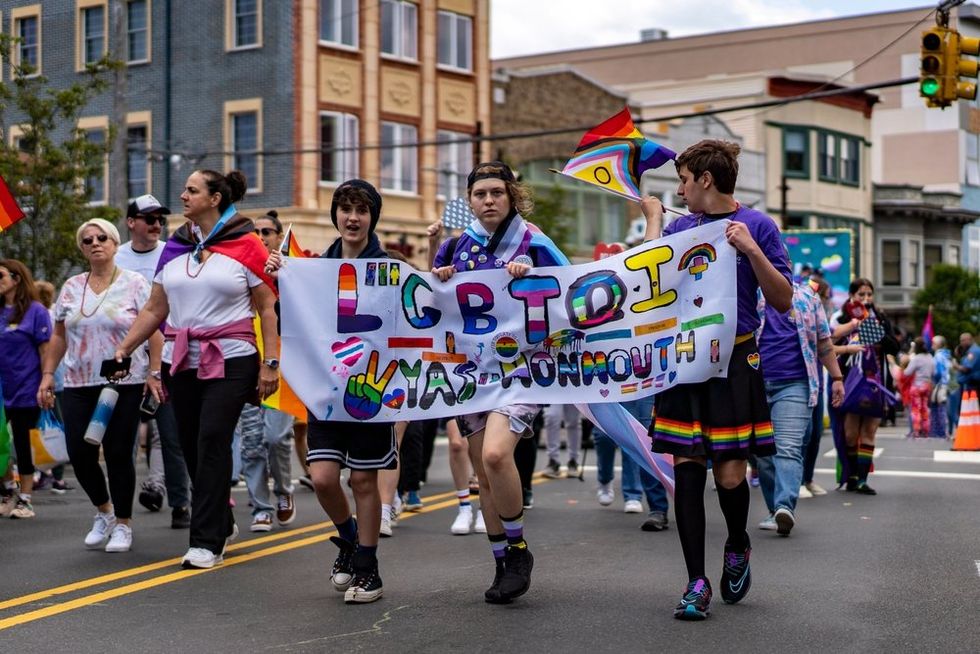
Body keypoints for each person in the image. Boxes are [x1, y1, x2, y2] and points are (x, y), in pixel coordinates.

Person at [640, 140, 792, 620]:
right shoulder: (680, 227)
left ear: (705, 180)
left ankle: (738, 541)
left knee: (729, 474)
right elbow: (643, 286)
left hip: (736, 359)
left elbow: (784, 299)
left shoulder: (760, 225)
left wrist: (751, 251)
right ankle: (695, 582)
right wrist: (652, 225)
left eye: (683, 180)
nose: (679, 189)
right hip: (684, 360)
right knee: (686, 467)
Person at [114, 169, 280, 569]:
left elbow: (268, 306)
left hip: (234, 357)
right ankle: (221, 519)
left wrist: (271, 362)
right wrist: (124, 348)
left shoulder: (247, 243)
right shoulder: (176, 246)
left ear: (215, 198)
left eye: (192, 190)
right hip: (180, 358)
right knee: (190, 444)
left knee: (210, 440)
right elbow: (156, 308)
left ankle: (207, 541)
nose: (184, 196)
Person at [431, 161, 568, 604]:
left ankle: (519, 548)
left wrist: (537, 277)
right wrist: (441, 278)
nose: (488, 201)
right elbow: (432, 302)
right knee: (482, 475)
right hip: (470, 371)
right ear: (469, 200)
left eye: (496, 193)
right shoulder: (456, 247)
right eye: (479, 194)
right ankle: (500, 562)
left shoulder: (534, 241)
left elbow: (572, 289)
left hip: (523, 369)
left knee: (494, 454)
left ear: (511, 196)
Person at [266, 179, 395, 604]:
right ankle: (350, 540)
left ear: (372, 216)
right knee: (322, 478)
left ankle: (368, 568)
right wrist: (281, 283)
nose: (352, 217)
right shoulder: (316, 268)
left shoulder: (389, 268)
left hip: (371, 389)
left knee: (362, 479)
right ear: (335, 215)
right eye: (345, 208)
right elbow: (295, 322)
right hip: (327, 390)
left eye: (361, 209)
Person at [37, 220, 160, 552]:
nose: (94, 243)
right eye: (87, 240)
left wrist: (154, 372)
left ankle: (123, 524)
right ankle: (104, 511)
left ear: (114, 242)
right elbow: (59, 335)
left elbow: (155, 330)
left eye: (101, 237)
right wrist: (48, 375)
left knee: (120, 453)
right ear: (82, 248)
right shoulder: (72, 286)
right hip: (79, 380)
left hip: (124, 381)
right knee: (80, 453)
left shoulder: (136, 283)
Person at [115, 193, 192, 529]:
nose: (156, 225)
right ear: (131, 223)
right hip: (128, 357)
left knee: (172, 433)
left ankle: (180, 503)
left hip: (168, 355)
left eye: (160, 219)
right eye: (149, 219)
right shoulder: (116, 258)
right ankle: (120, 512)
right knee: (123, 438)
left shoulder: (171, 253)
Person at [756, 279, 845, 536]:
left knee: (788, 446)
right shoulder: (749, 292)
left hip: (795, 384)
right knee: (763, 454)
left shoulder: (807, 297)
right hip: (754, 383)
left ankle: (784, 507)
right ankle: (775, 509)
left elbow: (824, 342)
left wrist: (837, 378)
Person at [236, 210, 296, 533]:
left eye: (266, 232)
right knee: (252, 441)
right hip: (246, 363)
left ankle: (284, 491)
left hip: (281, 368)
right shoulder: (238, 271)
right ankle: (260, 506)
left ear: (277, 237)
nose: (260, 237)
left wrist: (283, 275)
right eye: (254, 232)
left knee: (275, 438)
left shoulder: (290, 275)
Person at [833, 278, 899, 495]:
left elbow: (893, 347)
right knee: (850, 433)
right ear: (852, 295)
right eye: (861, 294)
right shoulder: (841, 317)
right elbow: (828, 341)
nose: (866, 298)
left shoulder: (879, 318)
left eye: (869, 294)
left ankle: (862, 479)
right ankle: (851, 475)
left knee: (869, 431)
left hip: (876, 382)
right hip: (849, 382)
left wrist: (872, 326)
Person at [0, 259, 51, 519]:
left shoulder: (36, 311)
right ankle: (9, 489)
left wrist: (46, 383)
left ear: (16, 279)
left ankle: (26, 499)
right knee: (1, 443)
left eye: (1, 276)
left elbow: (45, 350)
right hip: (1, 388)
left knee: (22, 443)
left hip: (26, 387)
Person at [594, 395, 671, 531]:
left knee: (645, 436)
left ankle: (656, 507)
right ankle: (605, 479)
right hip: (607, 381)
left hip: (643, 380)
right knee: (603, 435)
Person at [902, 338, 935, 439]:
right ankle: (926, 431)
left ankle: (916, 431)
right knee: (925, 409)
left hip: (917, 386)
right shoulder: (930, 357)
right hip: (927, 385)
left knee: (916, 409)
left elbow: (907, 372)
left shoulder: (916, 358)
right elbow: (933, 372)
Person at [542, 404, 582, 478]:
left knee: (573, 421)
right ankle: (553, 460)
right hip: (552, 392)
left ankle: (573, 460)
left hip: (573, 392)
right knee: (551, 417)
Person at [930, 335, 953, 438]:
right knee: (944, 408)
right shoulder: (947, 354)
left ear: (938, 344)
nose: (932, 345)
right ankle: (944, 431)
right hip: (947, 385)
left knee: (938, 409)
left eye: (933, 343)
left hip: (940, 385)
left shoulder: (938, 356)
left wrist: (933, 381)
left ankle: (939, 432)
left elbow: (938, 372)